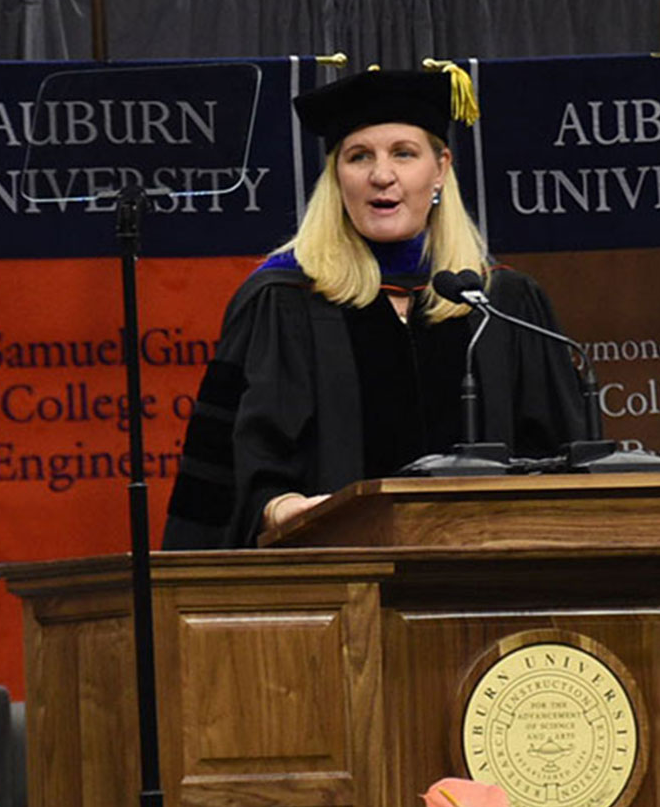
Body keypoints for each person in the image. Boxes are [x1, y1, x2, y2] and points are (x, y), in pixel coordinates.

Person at [163, 67, 586, 550]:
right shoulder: (282, 301)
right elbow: (224, 472)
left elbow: (561, 462)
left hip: (485, 575)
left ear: (440, 168)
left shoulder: (503, 304)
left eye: (403, 153)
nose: (381, 176)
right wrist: (278, 508)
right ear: (336, 176)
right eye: (359, 156)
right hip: (330, 575)